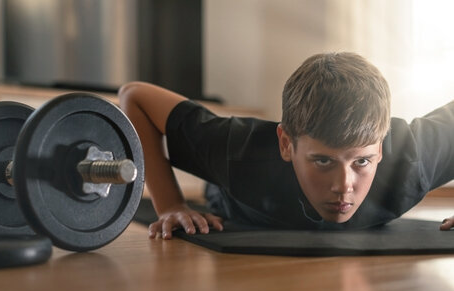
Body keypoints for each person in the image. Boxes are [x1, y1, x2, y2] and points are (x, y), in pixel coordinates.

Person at [118, 52, 454, 239]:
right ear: (286, 144)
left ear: (380, 148)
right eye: (323, 161)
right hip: (229, 196)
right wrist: (171, 205)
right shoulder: (238, 150)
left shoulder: (413, 161)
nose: (343, 186)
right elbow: (135, 96)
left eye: (362, 162)